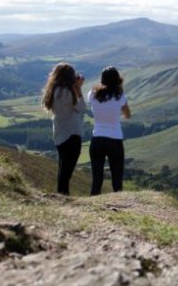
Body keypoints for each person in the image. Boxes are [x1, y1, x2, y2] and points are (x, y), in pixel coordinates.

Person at [42, 62, 85, 195]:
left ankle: (61, 195)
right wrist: (78, 89)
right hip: (72, 133)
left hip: (59, 135)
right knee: (67, 171)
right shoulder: (68, 92)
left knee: (63, 168)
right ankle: (63, 196)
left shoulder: (53, 91)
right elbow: (81, 108)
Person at [88, 66, 131, 195]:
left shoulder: (92, 94)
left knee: (97, 178)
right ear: (118, 79)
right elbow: (128, 114)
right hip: (115, 139)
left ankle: (92, 208)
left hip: (97, 139)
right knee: (117, 179)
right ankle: (119, 208)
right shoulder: (120, 96)